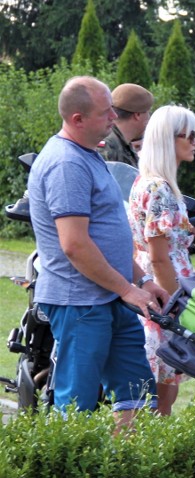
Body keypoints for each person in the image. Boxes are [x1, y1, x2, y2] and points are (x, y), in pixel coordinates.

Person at [27, 76, 170, 425]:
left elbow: (110, 235)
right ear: (78, 119)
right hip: (80, 303)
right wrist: (127, 289)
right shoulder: (66, 164)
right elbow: (75, 245)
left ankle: (127, 470)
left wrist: (144, 280)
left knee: (137, 391)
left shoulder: (89, 154)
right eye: (106, 113)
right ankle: (69, 477)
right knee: (77, 403)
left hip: (111, 297)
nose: (113, 118)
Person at [127, 105, 195, 416]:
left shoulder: (146, 181)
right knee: (161, 395)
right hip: (163, 292)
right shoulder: (161, 188)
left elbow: (154, 238)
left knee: (154, 386)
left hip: (152, 286)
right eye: (189, 135)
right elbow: (160, 256)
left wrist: (191, 230)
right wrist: (175, 306)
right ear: (169, 140)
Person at [97, 83, 153, 166]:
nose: (149, 118)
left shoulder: (124, 144)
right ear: (137, 115)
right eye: (147, 112)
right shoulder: (108, 147)